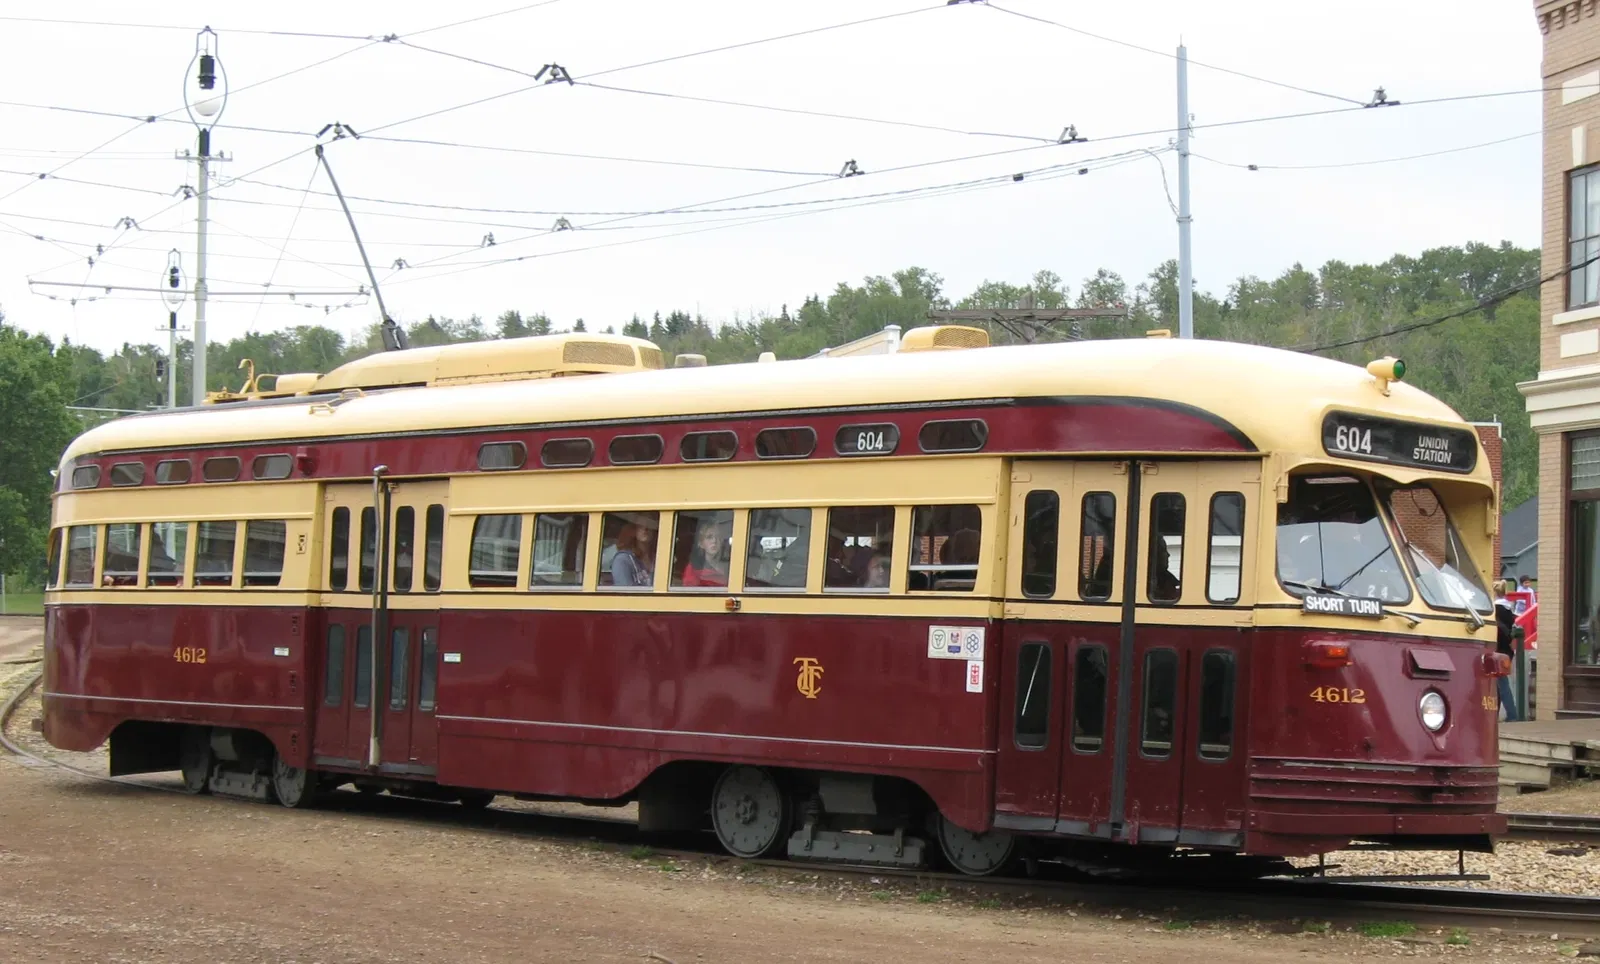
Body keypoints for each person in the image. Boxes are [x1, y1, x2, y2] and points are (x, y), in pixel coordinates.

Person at [1494, 583, 1522, 722]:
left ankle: (1512, 715)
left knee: (1501, 684)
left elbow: (1497, 628)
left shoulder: (1494, 610)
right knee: (1500, 684)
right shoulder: (1509, 610)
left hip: (1497, 649)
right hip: (1507, 651)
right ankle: (1503, 713)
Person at [680, 522, 729, 587]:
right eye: (709, 537)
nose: (714, 541)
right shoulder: (693, 569)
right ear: (701, 544)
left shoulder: (729, 566)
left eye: (718, 537)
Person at [610, 524, 653, 589]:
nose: (645, 529)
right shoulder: (623, 560)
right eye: (640, 525)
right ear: (632, 531)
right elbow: (625, 593)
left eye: (650, 524)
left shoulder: (659, 558)